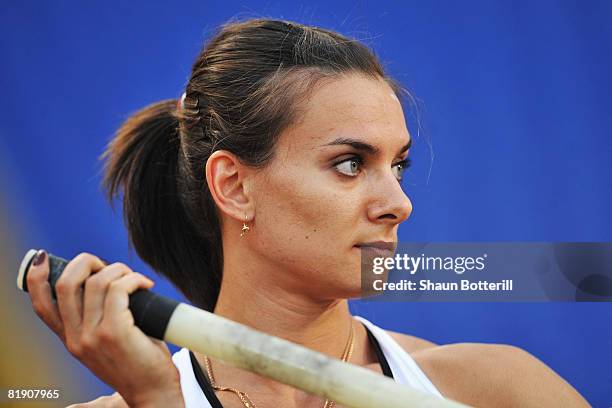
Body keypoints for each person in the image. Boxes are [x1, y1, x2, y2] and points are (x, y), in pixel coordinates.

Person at [25, 17, 590, 408]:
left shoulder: (497, 389)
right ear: (234, 185)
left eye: (398, 166)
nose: (399, 203)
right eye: (349, 164)